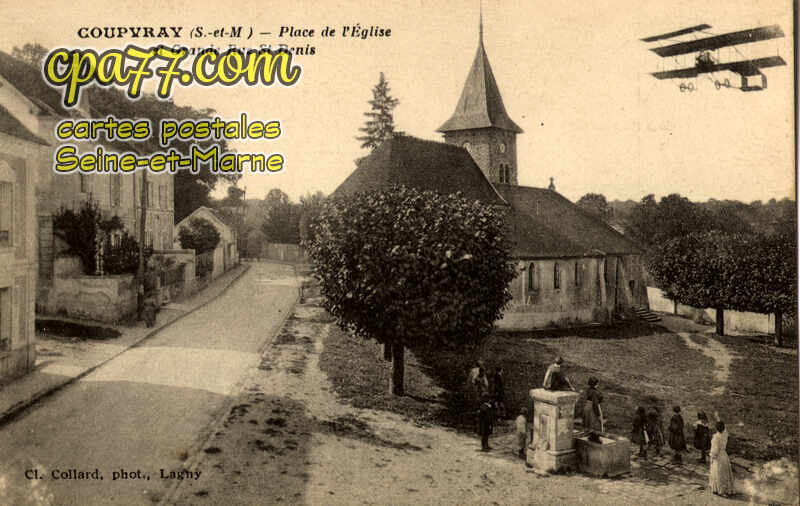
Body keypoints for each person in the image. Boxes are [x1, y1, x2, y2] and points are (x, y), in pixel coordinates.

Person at [709, 418, 735, 496]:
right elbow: (725, 431)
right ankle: (727, 489)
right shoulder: (725, 435)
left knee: (718, 472)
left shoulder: (716, 437)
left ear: (716, 428)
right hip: (724, 455)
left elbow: (715, 450)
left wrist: (712, 456)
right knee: (725, 472)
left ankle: (719, 489)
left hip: (718, 456)